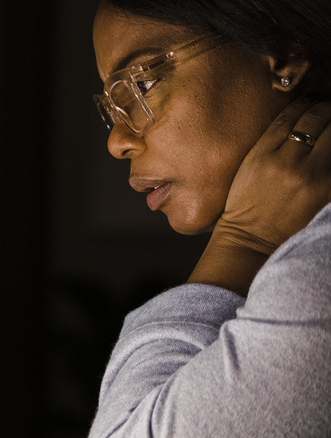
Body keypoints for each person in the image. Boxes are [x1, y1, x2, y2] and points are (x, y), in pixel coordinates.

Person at [88, 0, 331, 436]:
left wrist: (244, 241)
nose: (118, 141)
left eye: (141, 84)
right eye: (111, 106)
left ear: (283, 58)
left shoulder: (319, 272)